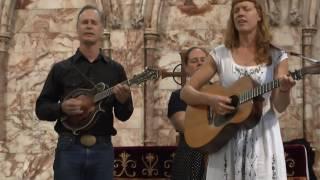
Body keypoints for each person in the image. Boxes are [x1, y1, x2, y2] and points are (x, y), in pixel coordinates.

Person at [180, 0, 296, 179]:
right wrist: (212, 101)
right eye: (236, 11)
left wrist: (285, 91)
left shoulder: (277, 55)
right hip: (226, 135)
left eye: (246, 9)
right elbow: (186, 92)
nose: (240, 14)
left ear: (259, 15)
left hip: (263, 138)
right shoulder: (220, 54)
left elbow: (279, 106)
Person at [35, 5, 133, 180]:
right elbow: (41, 108)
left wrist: (123, 101)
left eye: (94, 23)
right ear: (77, 29)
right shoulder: (61, 69)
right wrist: (61, 108)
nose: (89, 26)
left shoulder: (115, 70)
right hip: (69, 147)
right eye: (85, 22)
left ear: (102, 29)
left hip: (102, 150)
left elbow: (123, 115)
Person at [167, 47, 208, 180]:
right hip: (190, 156)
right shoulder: (178, 96)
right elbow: (183, 124)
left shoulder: (221, 91)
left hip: (219, 155)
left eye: (203, 60)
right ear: (186, 67)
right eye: (194, 61)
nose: (200, 63)